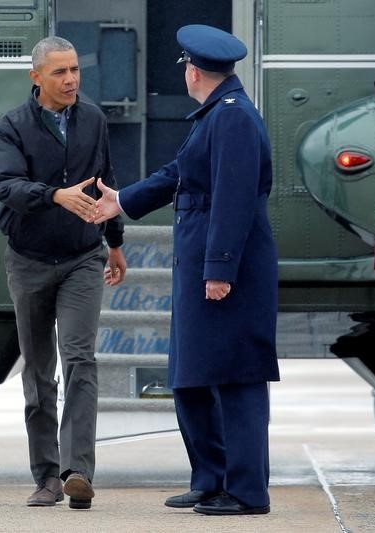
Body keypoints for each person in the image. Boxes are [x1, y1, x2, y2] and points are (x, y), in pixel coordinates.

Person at [94, 24, 278, 516]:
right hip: (200, 267)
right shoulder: (215, 115)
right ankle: (210, 478)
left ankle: (245, 491)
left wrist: (219, 269)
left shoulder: (234, 118)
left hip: (224, 272)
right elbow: (179, 173)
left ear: (193, 71)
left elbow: (234, 201)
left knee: (236, 377)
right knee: (192, 376)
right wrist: (122, 201)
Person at [0, 35, 127, 510]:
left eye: (75, 70)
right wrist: (54, 195)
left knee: (80, 360)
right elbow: (4, 185)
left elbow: (108, 181)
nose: (70, 80)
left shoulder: (93, 119)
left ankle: (78, 473)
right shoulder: (12, 127)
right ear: (36, 77)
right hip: (28, 261)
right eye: (59, 73)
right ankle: (46, 476)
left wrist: (115, 243)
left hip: (82, 258)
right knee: (39, 374)